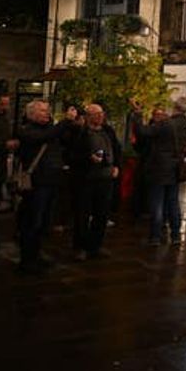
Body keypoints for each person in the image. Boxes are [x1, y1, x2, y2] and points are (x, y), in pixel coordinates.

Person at [14, 100, 77, 274]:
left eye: (47, 110)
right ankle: (27, 259)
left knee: (43, 223)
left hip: (52, 180)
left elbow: (66, 139)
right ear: (31, 113)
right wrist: (65, 121)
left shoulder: (51, 129)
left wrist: (73, 125)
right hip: (37, 183)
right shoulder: (26, 130)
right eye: (42, 111)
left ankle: (36, 255)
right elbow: (43, 137)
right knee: (32, 221)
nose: (47, 113)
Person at [130, 97, 186, 246]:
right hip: (175, 166)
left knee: (157, 203)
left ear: (174, 107)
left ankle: (155, 236)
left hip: (159, 167)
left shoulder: (166, 124)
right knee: (173, 202)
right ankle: (176, 235)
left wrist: (137, 113)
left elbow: (142, 132)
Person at [66, 104, 121, 260]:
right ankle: (81, 247)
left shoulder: (108, 131)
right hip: (85, 178)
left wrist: (116, 166)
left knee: (102, 214)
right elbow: (71, 155)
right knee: (82, 214)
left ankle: (95, 246)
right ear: (88, 116)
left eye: (101, 113)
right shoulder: (80, 133)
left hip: (105, 178)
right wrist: (87, 158)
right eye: (95, 114)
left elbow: (116, 149)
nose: (99, 117)